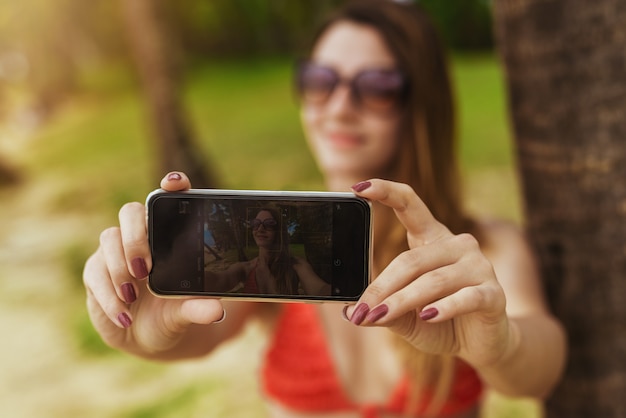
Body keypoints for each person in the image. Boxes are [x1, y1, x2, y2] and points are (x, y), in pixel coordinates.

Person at [83, 1, 567, 417]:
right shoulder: (265, 240)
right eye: (319, 80)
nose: (338, 106)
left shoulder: (478, 251)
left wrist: (500, 344)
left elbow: (540, 368)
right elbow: (198, 333)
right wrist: (138, 335)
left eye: (375, 86)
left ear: (419, 104)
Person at [203, 206, 331, 296]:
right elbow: (219, 280)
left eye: (269, 223)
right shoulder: (245, 268)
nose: (260, 228)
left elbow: (320, 289)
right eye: (255, 223)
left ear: (279, 231)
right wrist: (192, 276)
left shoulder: (295, 265)